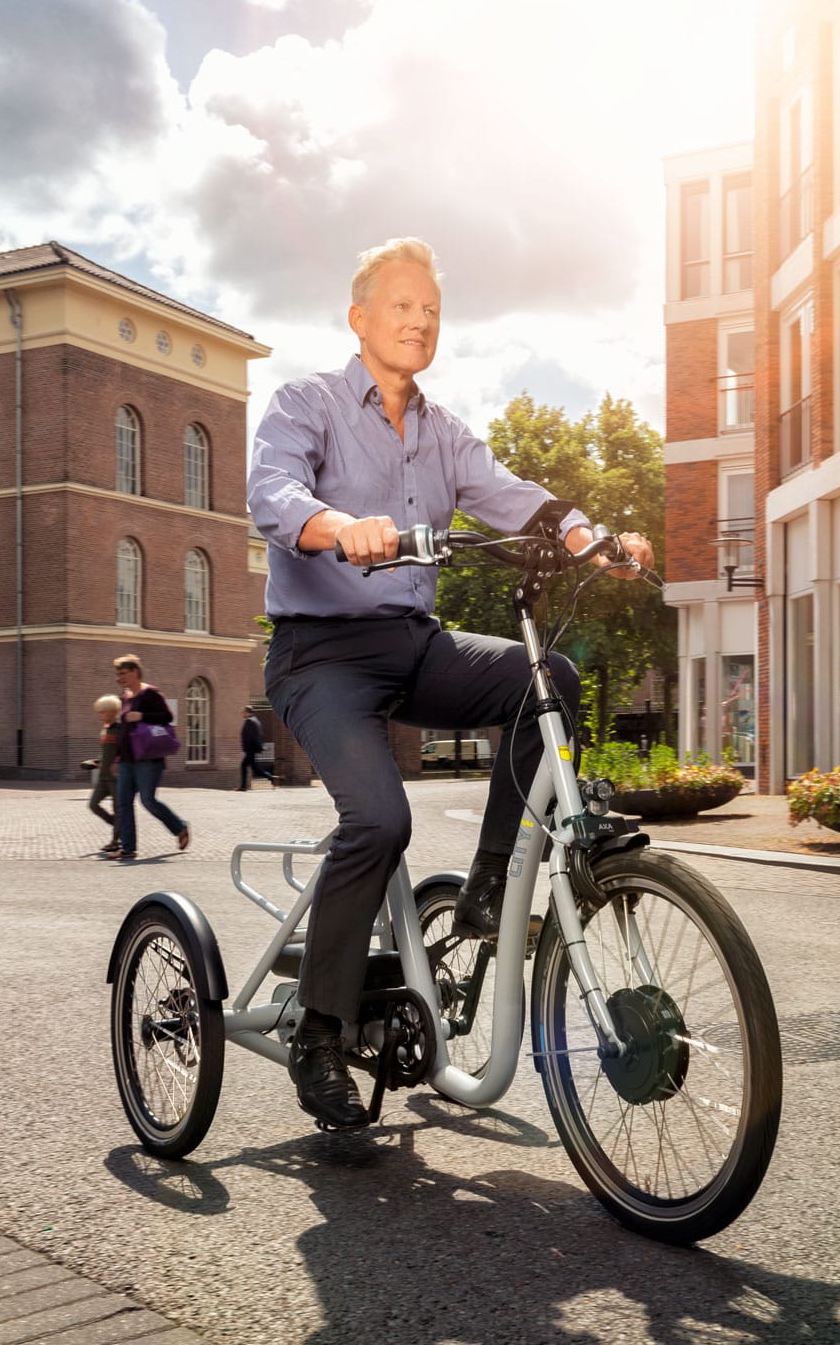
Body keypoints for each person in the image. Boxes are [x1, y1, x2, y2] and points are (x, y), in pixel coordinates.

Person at [246, 236, 654, 1129]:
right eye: (402, 305)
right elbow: (269, 488)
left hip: (412, 641)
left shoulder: (443, 432)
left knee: (547, 676)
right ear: (360, 320)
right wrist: (335, 524)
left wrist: (597, 538)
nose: (421, 320)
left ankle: (485, 884)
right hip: (319, 654)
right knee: (382, 818)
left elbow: (511, 494)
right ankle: (319, 1032)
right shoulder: (306, 403)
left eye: (431, 309)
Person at [111, 654, 192, 861]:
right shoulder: (125, 698)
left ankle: (180, 827)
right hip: (127, 760)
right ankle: (128, 848)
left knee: (148, 800)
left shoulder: (151, 694)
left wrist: (142, 716)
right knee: (123, 802)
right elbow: (122, 731)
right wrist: (116, 758)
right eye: (118, 674)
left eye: (123, 673)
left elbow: (167, 717)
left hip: (148, 758)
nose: (119, 678)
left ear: (135, 672)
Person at [81, 694, 123, 853]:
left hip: (115, 778)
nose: (100, 716)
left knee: (118, 809)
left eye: (102, 713)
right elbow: (104, 754)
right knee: (93, 805)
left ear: (113, 712)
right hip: (103, 778)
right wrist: (94, 763)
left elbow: (124, 751)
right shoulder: (104, 731)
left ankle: (115, 841)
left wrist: (117, 763)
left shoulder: (119, 731)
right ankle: (118, 824)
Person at [240, 706, 271, 791]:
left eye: (244, 712)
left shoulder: (250, 721)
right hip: (252, 749)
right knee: (254, 767)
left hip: (250, 749)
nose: (242, 713)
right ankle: (271, 778)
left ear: (248, 712)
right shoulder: (255, 721)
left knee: (245, 766)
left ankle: (243, 787)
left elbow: (252, 737)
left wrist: (253, 747)